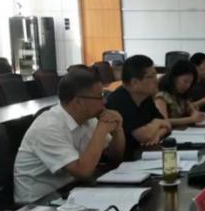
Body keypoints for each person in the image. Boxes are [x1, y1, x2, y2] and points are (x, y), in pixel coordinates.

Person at [14, 70, 125, 203]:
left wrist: (118, 130)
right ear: (78, 102)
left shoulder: (88, 119)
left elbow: (115, 156)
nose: (104, 101)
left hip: (69, 190)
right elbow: (83, 172)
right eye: (100, 97)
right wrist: (101, 129)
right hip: (38, 203)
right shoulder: (48, 127)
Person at [105, 55, 171, 161]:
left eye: (156, 75)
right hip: (120, 162)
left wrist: (157, 135)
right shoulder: (119, 99)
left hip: (140, 154)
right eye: (151, 77)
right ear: (135, 82)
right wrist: (157, 123)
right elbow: (144, 135)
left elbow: (167, 125)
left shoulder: (145, 97)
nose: (157, 80)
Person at [155, 60, 205, 127]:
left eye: (190, 83)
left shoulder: (181, 95)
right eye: (185, 81)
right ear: (174, 77)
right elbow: (163, 121)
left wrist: (194, 112)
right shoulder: (162, 97)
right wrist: (191, 119)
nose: (188, 86)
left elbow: (191, 108)